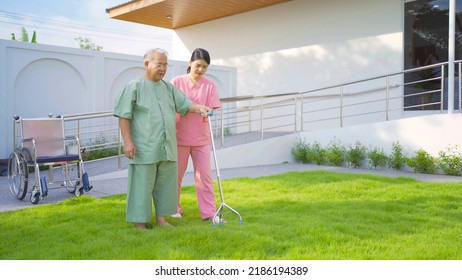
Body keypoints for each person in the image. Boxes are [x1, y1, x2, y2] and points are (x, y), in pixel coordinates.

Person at [114, 48, 211, 230]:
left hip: (167, 146)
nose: (163, 68)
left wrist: (200, 108)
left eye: (165, 65)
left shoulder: (168, 87)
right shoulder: (133, 87)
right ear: (146, 64)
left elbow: (185, 104)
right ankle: (140, 222)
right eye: (159, 64)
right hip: (144, 147)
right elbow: (123, 116)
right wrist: (127, 142)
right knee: (142, 185)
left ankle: (161, 219)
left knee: (165, 185)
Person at [171, 48, 222, 221]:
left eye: (204, 67)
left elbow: (212, 108)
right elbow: (172, 106)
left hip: (201, 138)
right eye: (198, 65)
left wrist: (207, 111)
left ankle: (208, 213)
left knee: (204, 177)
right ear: (190, 63)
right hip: (180, 138)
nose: (200, 70)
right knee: (176, 175)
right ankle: (173, 209)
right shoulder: (177, 82)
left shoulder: (209, 85)